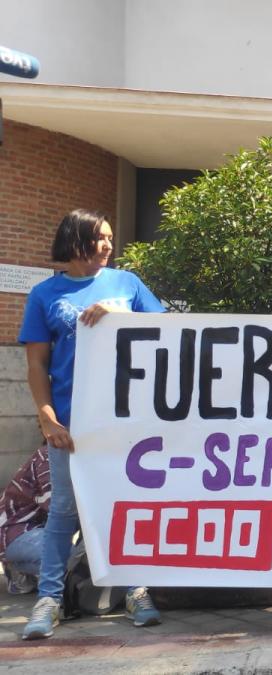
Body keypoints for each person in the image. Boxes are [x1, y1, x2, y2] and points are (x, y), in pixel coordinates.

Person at [18, 209, 166, 640]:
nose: (108, 246)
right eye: (100, 237)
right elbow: (37, 364)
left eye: (110, 238)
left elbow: (168, 330)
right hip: (72, 423)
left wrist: (120, 316)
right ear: (75, 239)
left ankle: (136, 589)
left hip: (128, 419)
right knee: (64, 509)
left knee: (129, 505)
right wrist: (47, 418)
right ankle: (49, 599)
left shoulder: (127, 284)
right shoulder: (44, 294)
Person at [0, 446, 50, 595]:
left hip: (41, 526)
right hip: (14, 528)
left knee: (80, 561)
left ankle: (23, 568)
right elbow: (56, 506)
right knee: (68, 558)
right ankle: (17, 568)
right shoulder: (48, 456)